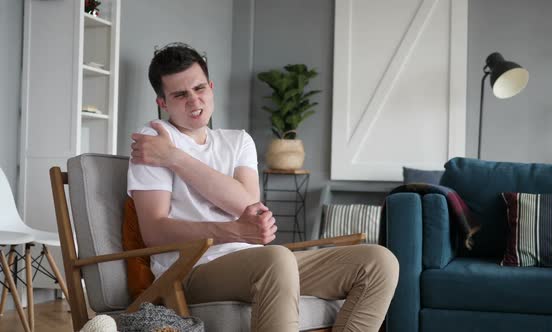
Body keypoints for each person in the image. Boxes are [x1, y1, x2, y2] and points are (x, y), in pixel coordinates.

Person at [127, 42, 399, 332]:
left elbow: (246, 205)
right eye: (180, 95)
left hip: (253, 263)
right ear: (163, 103)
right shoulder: (154, 139)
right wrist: (231, 231)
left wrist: (175, 158)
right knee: (275, 258)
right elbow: (154, 232)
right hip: (190, 270)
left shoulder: (236, 141)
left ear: (211, 86)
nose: (194, 101)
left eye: (200, 88)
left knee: (378, 262)